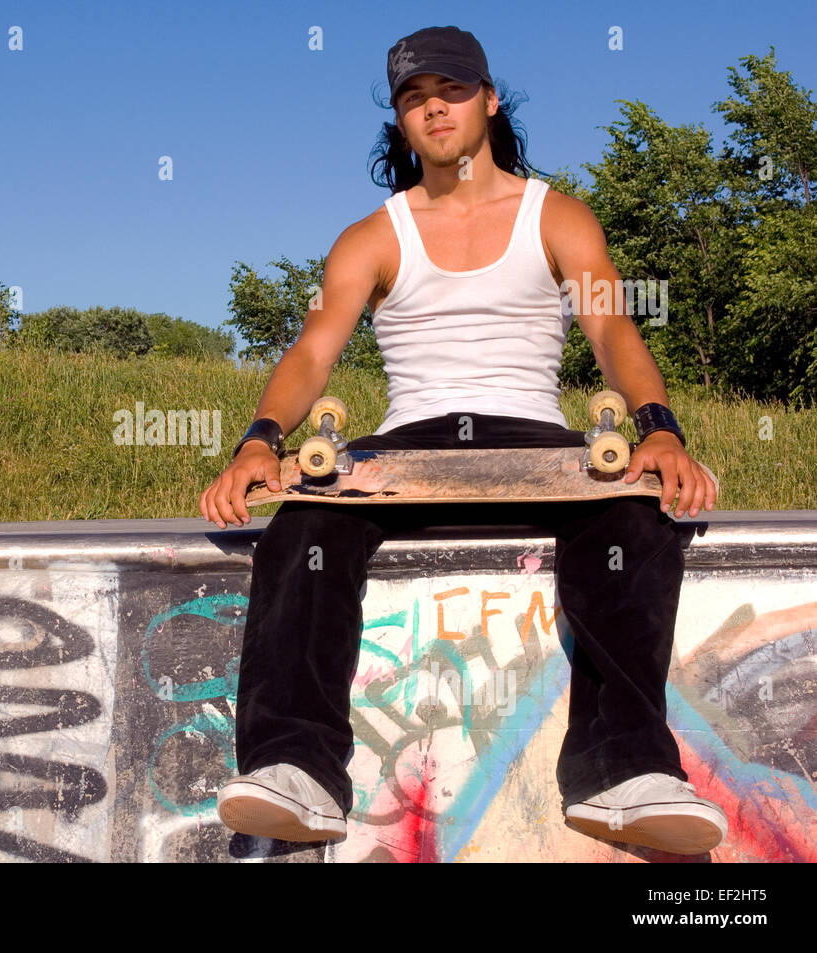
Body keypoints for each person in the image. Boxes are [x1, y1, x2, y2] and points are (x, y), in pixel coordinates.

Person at [198, 25, 729, 857]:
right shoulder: (373, 236)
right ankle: (296, 770)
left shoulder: (556, 216)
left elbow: (613, 332)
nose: (433, 107)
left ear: (487, 100)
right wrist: (259, 439)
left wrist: (660, 430)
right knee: (305, 525)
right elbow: (310, 352)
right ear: (401, 122)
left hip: (536, 449)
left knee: (638, 514)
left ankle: (621, 771)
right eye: (413, 97)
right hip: (407, 450)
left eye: (449, 90)